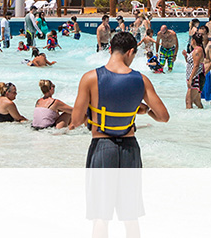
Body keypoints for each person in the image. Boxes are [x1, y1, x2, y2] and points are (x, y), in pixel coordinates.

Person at [70, 31, 169, 166]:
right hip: (130, 148)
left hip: (101, 146)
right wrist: (146, 111)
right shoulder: (142, 80)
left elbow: (75, 121)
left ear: (110, 49)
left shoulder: (90, 78)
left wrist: (92, 110)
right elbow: (164, 117)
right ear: (130, 52)